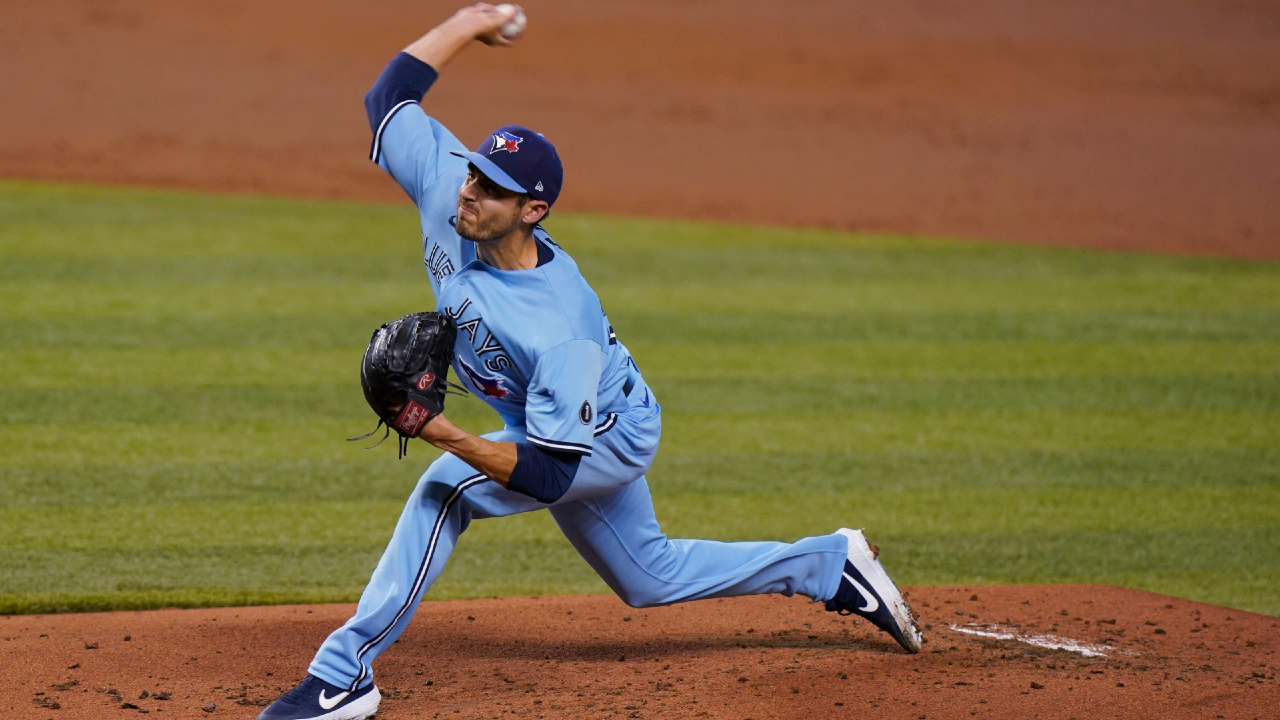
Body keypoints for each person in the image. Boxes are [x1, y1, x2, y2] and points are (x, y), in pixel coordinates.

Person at [257, 5, 922, 719]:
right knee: (648, 577)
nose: (469, 194)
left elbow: (550, 473)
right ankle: (830, 563)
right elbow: (388, 98)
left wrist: (439, 431)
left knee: (444, 488)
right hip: (548, 420)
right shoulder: (450, 186)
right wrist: (470, 22)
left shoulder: (559, 326)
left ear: (533, 211)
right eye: (473, 176)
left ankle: (343, 673)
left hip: (605, 434)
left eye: (491, 191)